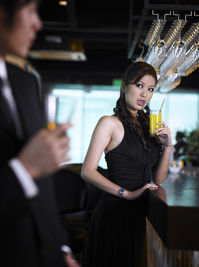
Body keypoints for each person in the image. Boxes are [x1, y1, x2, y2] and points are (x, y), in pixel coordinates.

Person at [0, 1, 80, 266]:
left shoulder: (26, 82)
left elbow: (43, 188)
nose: (38, 23)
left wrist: (61, 248)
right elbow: (31, 172)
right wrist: (26, 169)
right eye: (31, 9)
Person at [81, 61, 172, 267]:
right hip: (114, 214)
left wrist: (168, 146)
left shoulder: (149, 127)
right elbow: (87, 171)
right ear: (124, 87)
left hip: (140, 215)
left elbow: (157, 178)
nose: (145, 94)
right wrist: (127, 193)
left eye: (150, 89)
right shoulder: (109, 123)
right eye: (139, 86)